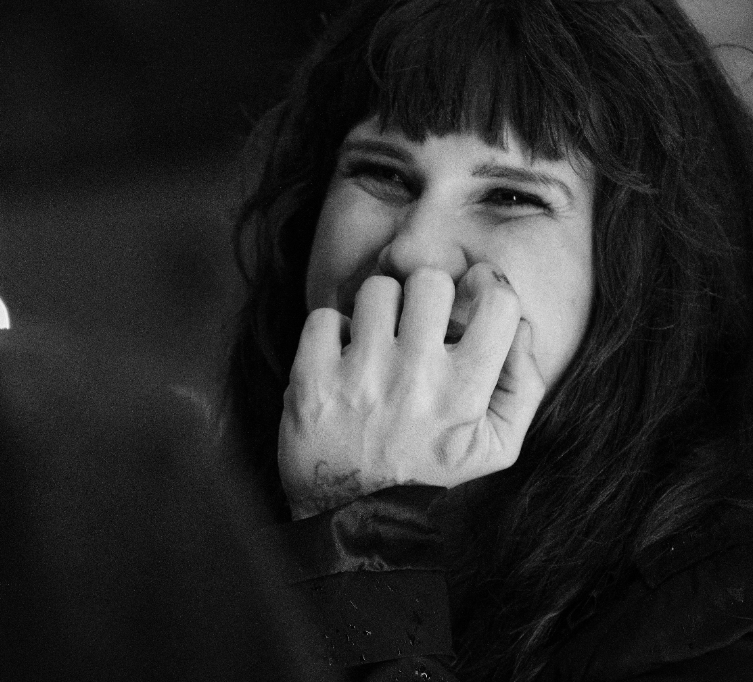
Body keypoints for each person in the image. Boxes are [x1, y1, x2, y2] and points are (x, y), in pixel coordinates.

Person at [224, 0, 753, 680]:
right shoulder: (191, 518)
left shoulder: (726, 616)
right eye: (382, 172)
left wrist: (358, 524)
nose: (414, 251)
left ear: (648, 269)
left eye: (511, 195)